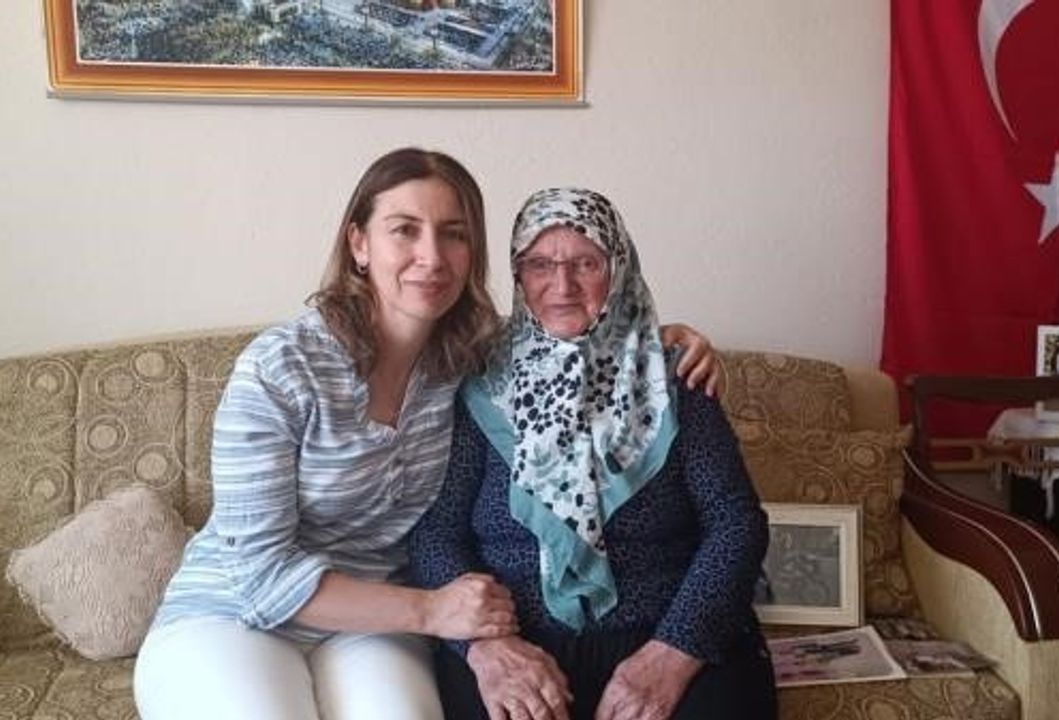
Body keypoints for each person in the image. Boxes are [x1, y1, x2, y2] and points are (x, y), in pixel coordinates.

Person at [133, 150, 720, 720]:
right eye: (404, 230)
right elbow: (259, 577)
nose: (431, 256)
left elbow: (575, 333)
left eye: (453, 234)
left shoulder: (473, 360)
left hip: (373, 627)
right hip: (235, 614)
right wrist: (434, 611)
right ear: (359, 244)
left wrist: (659, 342)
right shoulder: (281, 367)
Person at [409, 187, 777, 720]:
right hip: (514, 639)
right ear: (517, 275)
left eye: (586, 263)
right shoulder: (480, 379)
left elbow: (736, 523)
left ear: (619, 268)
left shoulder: (673, 376)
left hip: (667, 629)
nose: (562, 285)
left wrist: (675, 652)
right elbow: (436, 533)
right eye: (539, 264)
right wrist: (486, 648)